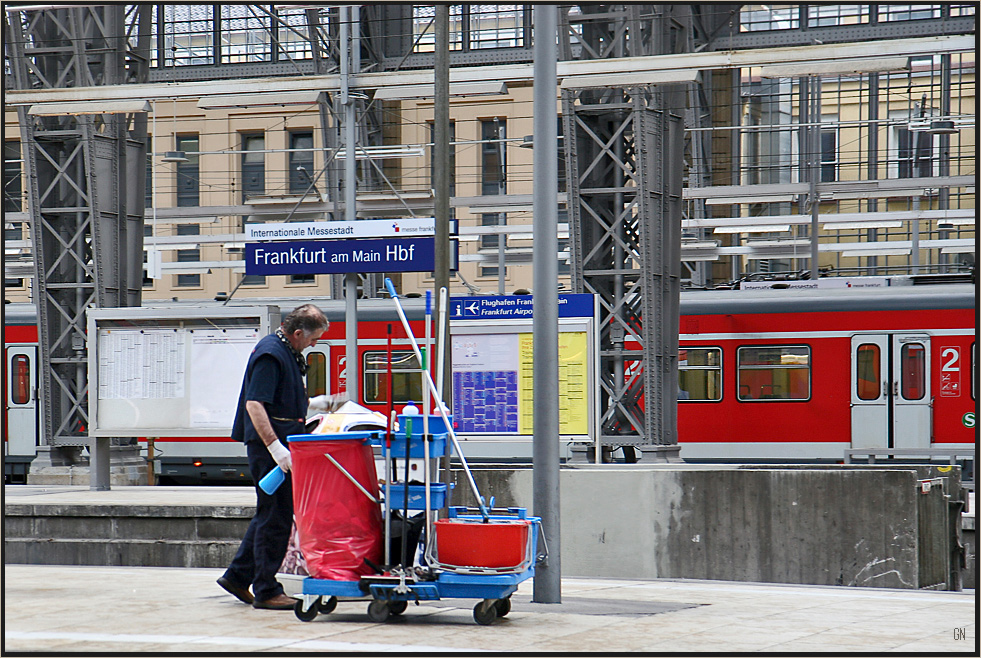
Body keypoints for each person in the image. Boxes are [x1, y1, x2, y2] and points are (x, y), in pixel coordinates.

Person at [217, 303, 330, 610]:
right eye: (313, 339)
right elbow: (255, 405)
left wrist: (317, 404)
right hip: (271, 450)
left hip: (280, 445)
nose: (314, 344)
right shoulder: (270, 353)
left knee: (269, 514)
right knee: (276, 518)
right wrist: (276, 450)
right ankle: (266, 589)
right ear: (296, 333)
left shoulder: (285, 350)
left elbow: (281, 397)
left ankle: (238, 577)